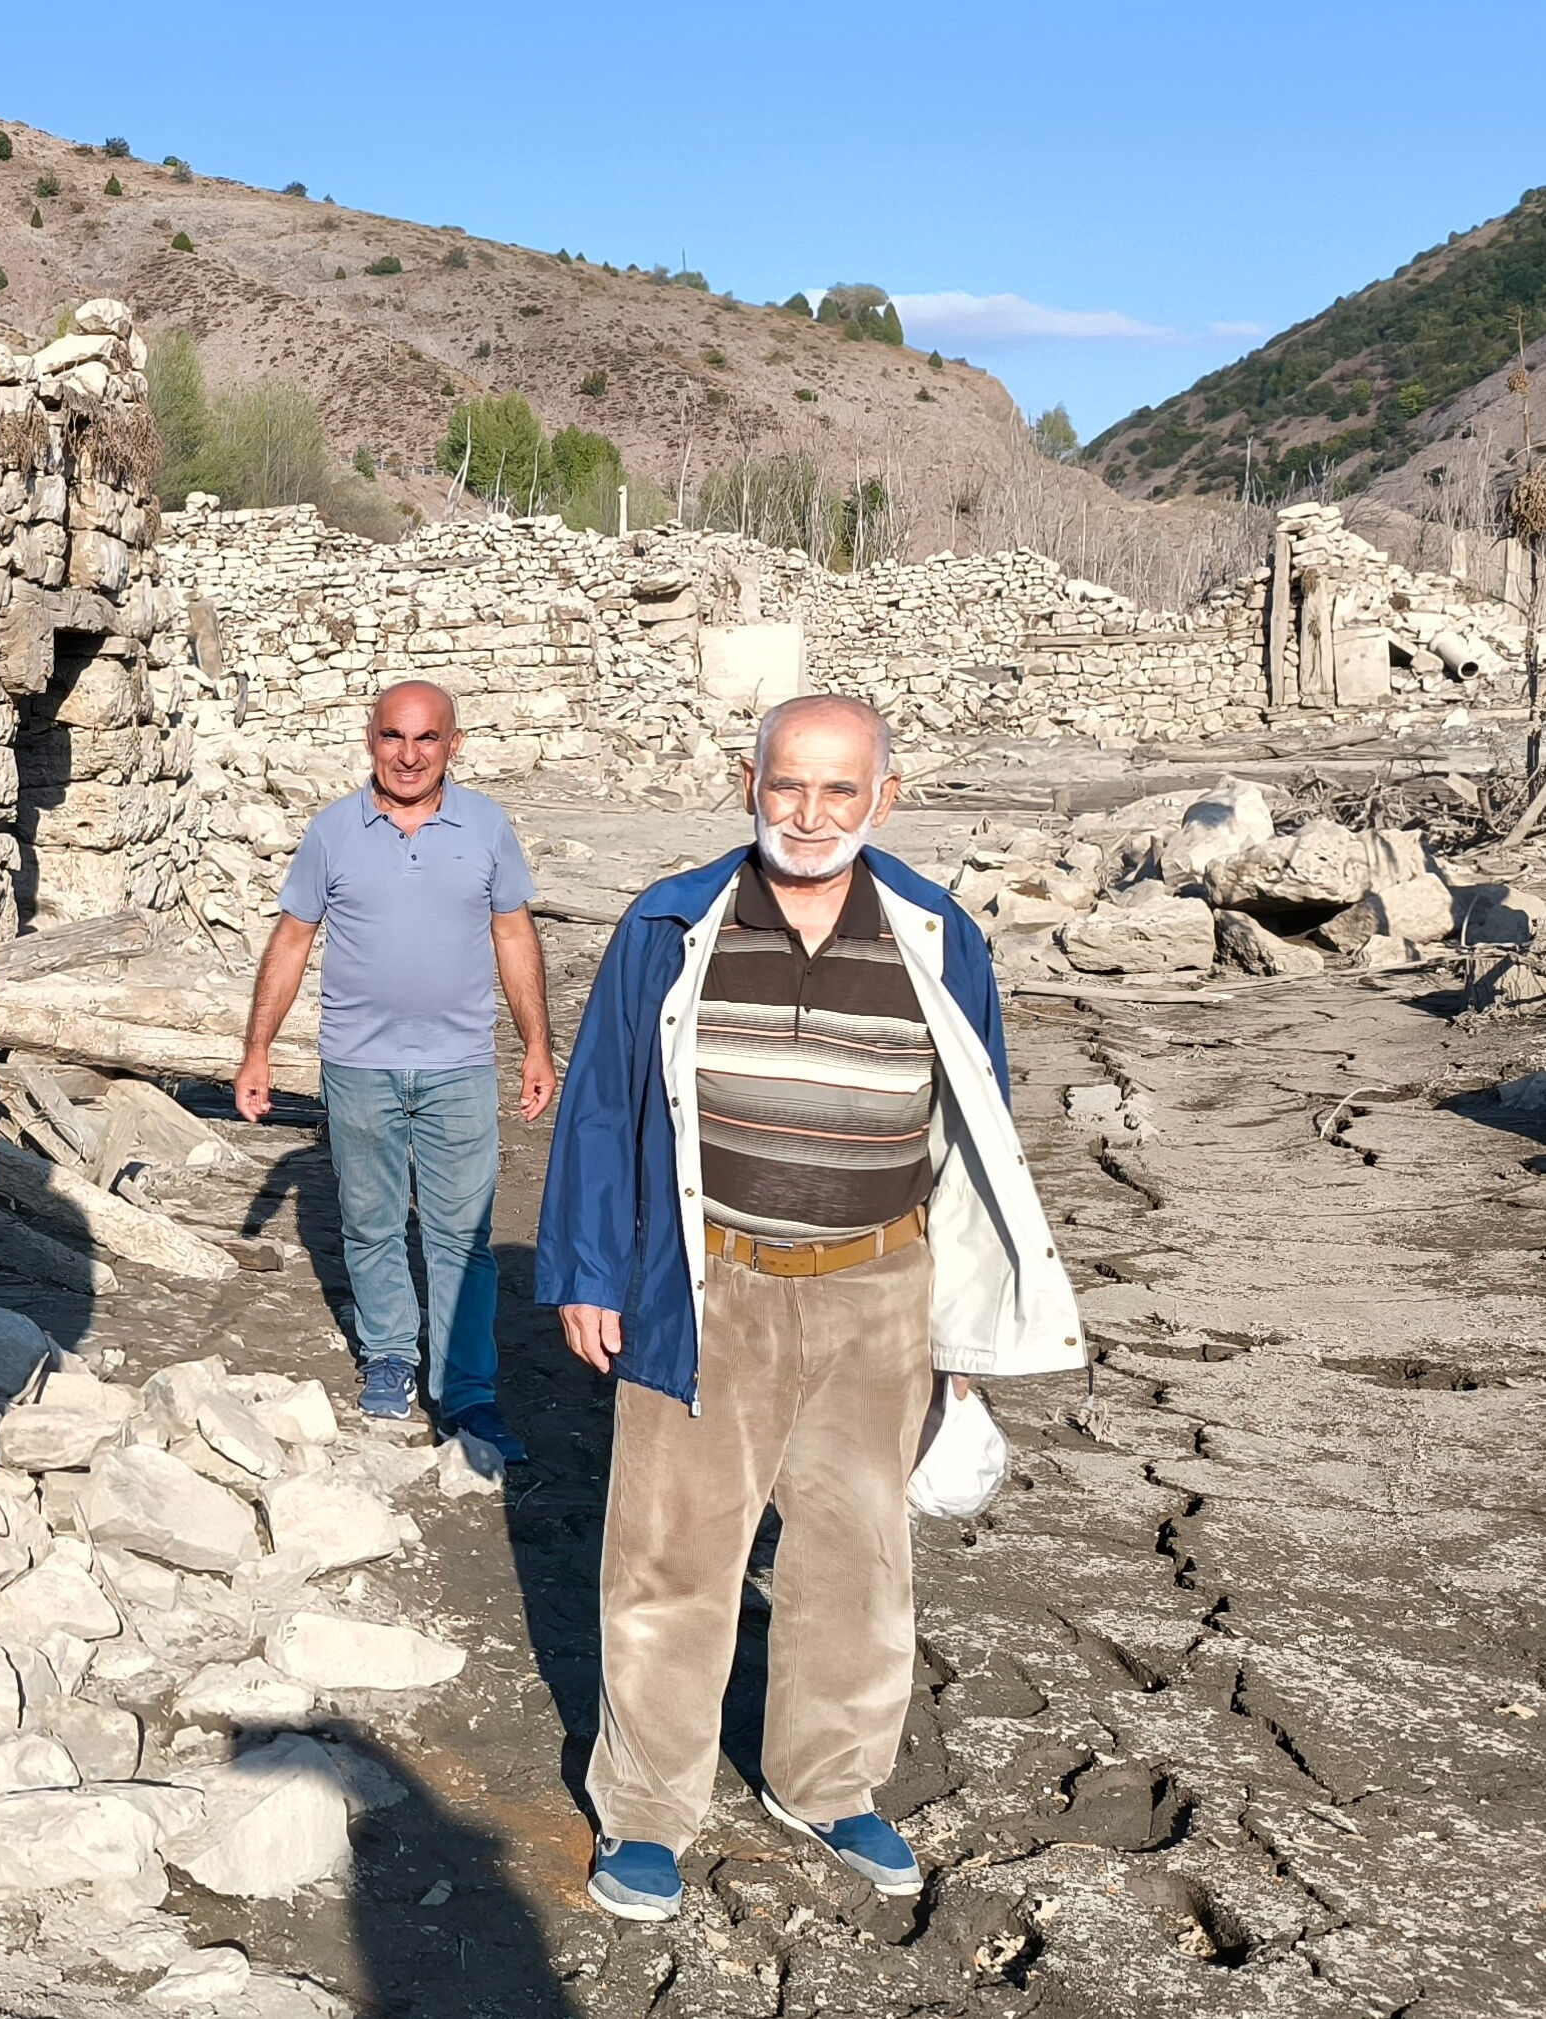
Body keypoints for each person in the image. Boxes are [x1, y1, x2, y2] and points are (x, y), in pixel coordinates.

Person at [535, 694, 1084, 1922]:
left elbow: (974, 1135)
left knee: (858, 1556)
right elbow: (603, 1108)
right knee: (671, 1554)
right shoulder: (671, 923)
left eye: (840, 790)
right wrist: (584, 1269)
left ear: (884, 796)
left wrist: (965, 1332)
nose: (812, 812)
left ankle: (828, 1784)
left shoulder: (939, 934)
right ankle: (645, 1815)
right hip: (706, 1281)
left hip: (879, 1289)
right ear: (749, 783)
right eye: (790, 785)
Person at [235, 680, 556, 1452]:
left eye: (425, 739)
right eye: (392, 737)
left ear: (454, 743)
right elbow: (290, 942)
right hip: (357, 1065)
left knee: (461, 1236)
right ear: (369, 739)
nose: (407, 756)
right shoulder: (332, 832)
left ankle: (467, 1393)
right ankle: (387, 1356)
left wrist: (537, 1044)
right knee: (371, 1224)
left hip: (459, 1067)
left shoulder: (484, 825)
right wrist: (256, 1048)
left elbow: (512, 936)